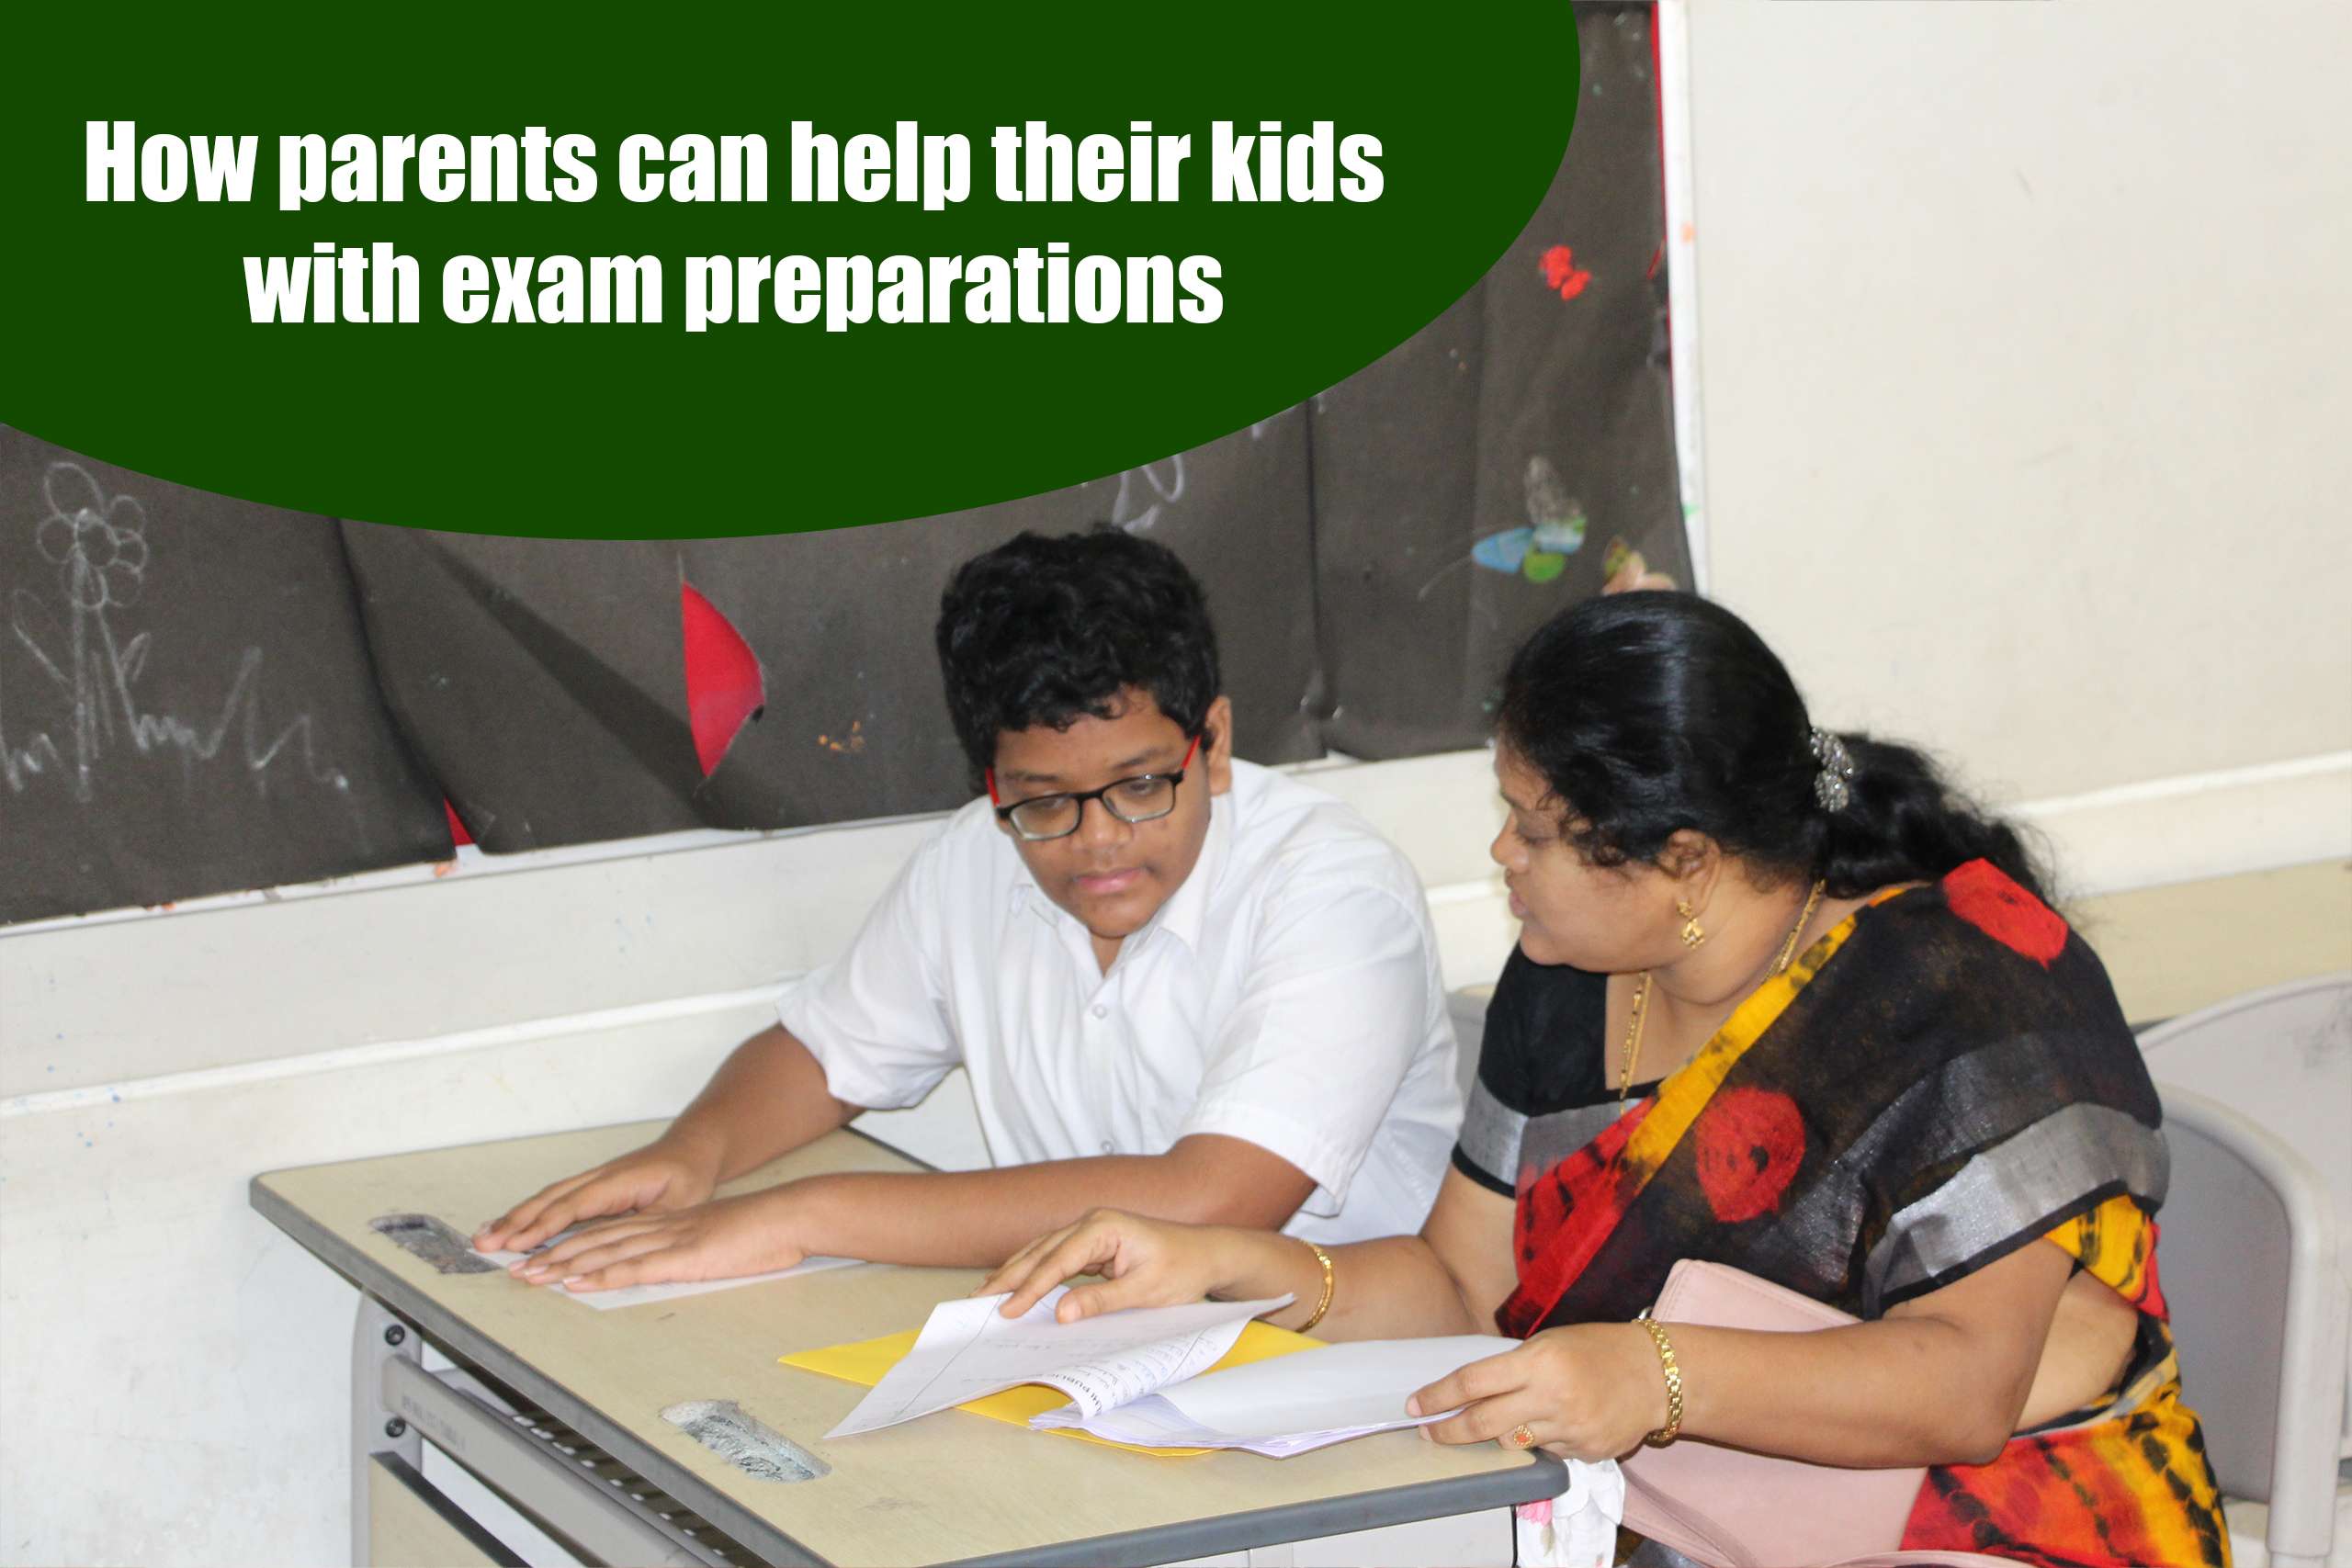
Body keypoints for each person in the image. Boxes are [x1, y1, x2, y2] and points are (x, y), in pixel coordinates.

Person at [982, 592, 2229, 1568]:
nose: (1500, 853)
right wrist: (1241, 1269)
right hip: (1677, 1524)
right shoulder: (1566, 979)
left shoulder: (1958, 990)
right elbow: (1466, 1281)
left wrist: (1652, 1373)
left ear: (1678, 861)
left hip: (2013, 1524)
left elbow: (1964, 1384)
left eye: (1532, 824)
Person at [473, 528, 1463, 1287]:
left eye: (1139, 785)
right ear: (992, 783)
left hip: (1349, 1387)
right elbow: (823, 1052)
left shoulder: (1333, 891)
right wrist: (694, 1155)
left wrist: (799, 1214)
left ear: (1211, 743)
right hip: (1110, 1365)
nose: (1096, 839)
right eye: (1041, 801)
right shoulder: (972, 865)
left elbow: (1211, 1199)